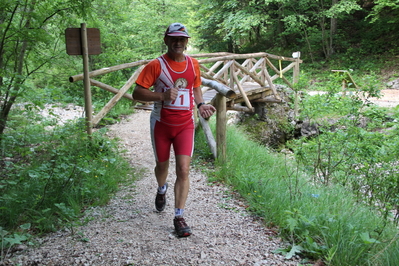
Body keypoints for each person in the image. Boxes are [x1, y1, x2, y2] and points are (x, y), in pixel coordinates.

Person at [132, 22, 216, 237]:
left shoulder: (193, 64)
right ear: (166, 40)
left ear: (186, 42)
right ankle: (161, 189)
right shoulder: (156, 65)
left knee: (184, 169)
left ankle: (179, 216)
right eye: (174, 38)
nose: (178, 42)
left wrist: (201, 104)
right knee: (162, 166)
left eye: (182, 39)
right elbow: (138, 93)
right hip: (161, 124)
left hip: (185, 124)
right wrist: (161, 95)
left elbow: (195, 86)